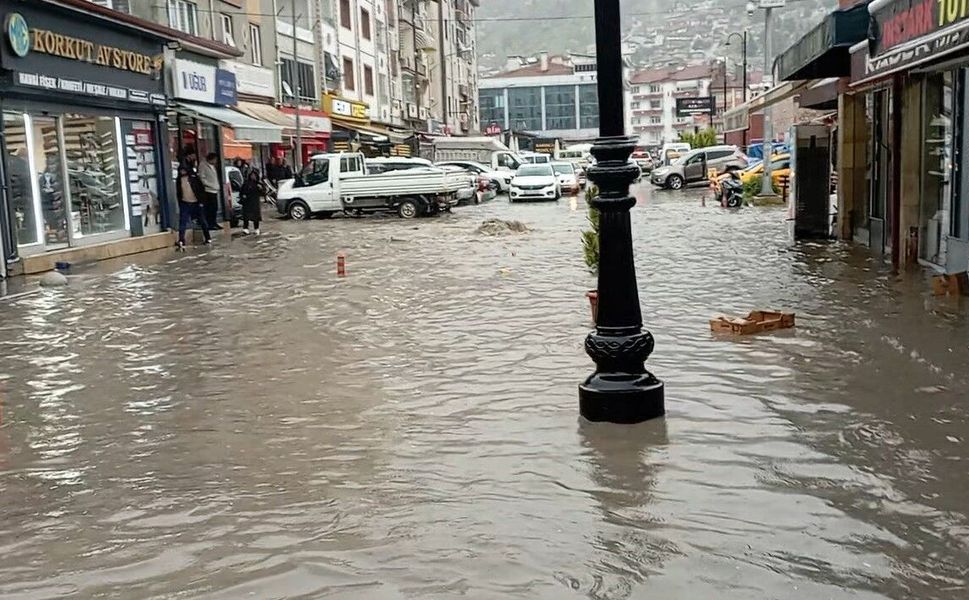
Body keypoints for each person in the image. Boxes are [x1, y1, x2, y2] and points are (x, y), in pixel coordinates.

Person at [176, 159, 211, 248]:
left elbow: (200, 190)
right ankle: (181, 240)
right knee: (182, 221)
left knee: (202, 220)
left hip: (196, 202)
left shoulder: (193, 177)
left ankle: (208, 237)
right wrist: (180, 202)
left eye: (183, 170)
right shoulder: (179, 180)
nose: (182, 172)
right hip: (185, 203)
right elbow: (179, 192)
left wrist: (201, 202)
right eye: (180, 171)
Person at [199, 152, 221, 231]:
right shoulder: (203, 165)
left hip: (214, 190)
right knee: (210, 208)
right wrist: (210, 185)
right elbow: (202, 178)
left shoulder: (213, 167)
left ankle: (214, 222)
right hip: (208, 190)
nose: (215, 161)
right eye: (214, 159)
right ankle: (210, 223)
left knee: (215, 208)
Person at [240, 168, 263, 235]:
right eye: (252, 175)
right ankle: (245, 228)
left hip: (255, 202)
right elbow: (242, 191)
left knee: (256, 216)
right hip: (247, 202)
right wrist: (243, 196)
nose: (253, 176)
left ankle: (256, 228)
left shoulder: (258, 184)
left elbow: (263, 193)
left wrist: (261, 189)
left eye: (254, 175)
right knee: (246, 216)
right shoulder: (246, 183)